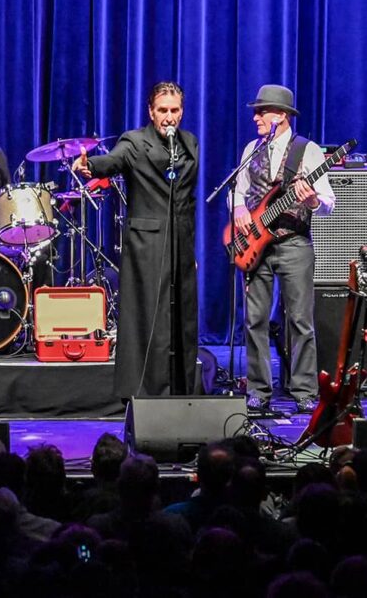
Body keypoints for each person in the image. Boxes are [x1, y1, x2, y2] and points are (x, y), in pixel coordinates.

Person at [74, 81, 199, 399]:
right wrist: (90, 166)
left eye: (174, 110)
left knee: (181, 319)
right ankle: (147, 392)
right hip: (147, 245)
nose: (169, 117)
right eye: (162, 110)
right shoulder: (134, 142)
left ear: (182, 111)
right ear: (151, 112)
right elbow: (112, 161)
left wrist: (190, 247)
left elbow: (188, 199)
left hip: (181, 244)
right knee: (150, 318)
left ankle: (181, 390)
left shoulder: (189, 143)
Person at [230, 84, 334, 416]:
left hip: (294, 243)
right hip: (256, 245)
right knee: (255, 320)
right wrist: (238, 208)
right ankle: (258, 391)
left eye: (262, 112)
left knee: (300, 320)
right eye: (256, 112)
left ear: (281, 116)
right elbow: (238, 191)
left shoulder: (308, 151)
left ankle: (304, 391)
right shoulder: (251, 150)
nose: (256, 117)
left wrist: (312, 200)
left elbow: (328, 202)